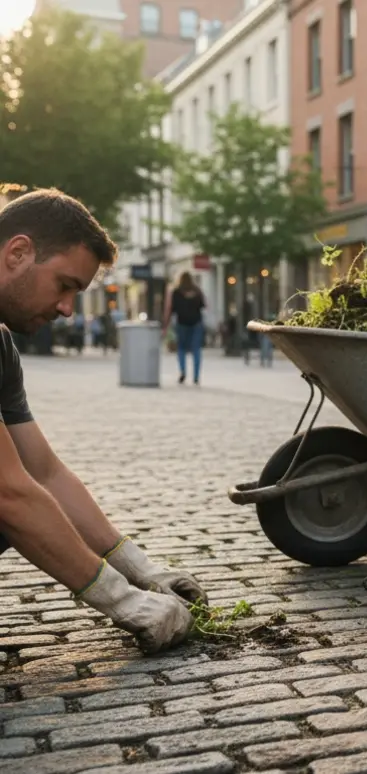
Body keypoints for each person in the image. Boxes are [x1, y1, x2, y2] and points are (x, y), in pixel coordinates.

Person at [0, 189, 205, 654]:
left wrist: (141, 569)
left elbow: (45, 473)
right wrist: (123, 600)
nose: (67, 308)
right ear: (18, 253)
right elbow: (9, 492)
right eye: (64, 285)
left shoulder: (1, 347)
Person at [162, 271, 206, 385]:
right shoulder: (197, 291)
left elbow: (170, 309)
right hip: (196, 323)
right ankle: (196, 376)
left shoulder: (176, 292)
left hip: (181, 323)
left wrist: (165, 325)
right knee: (196, 349)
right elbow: (204, 305)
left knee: (181, 348)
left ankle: (183, 372)